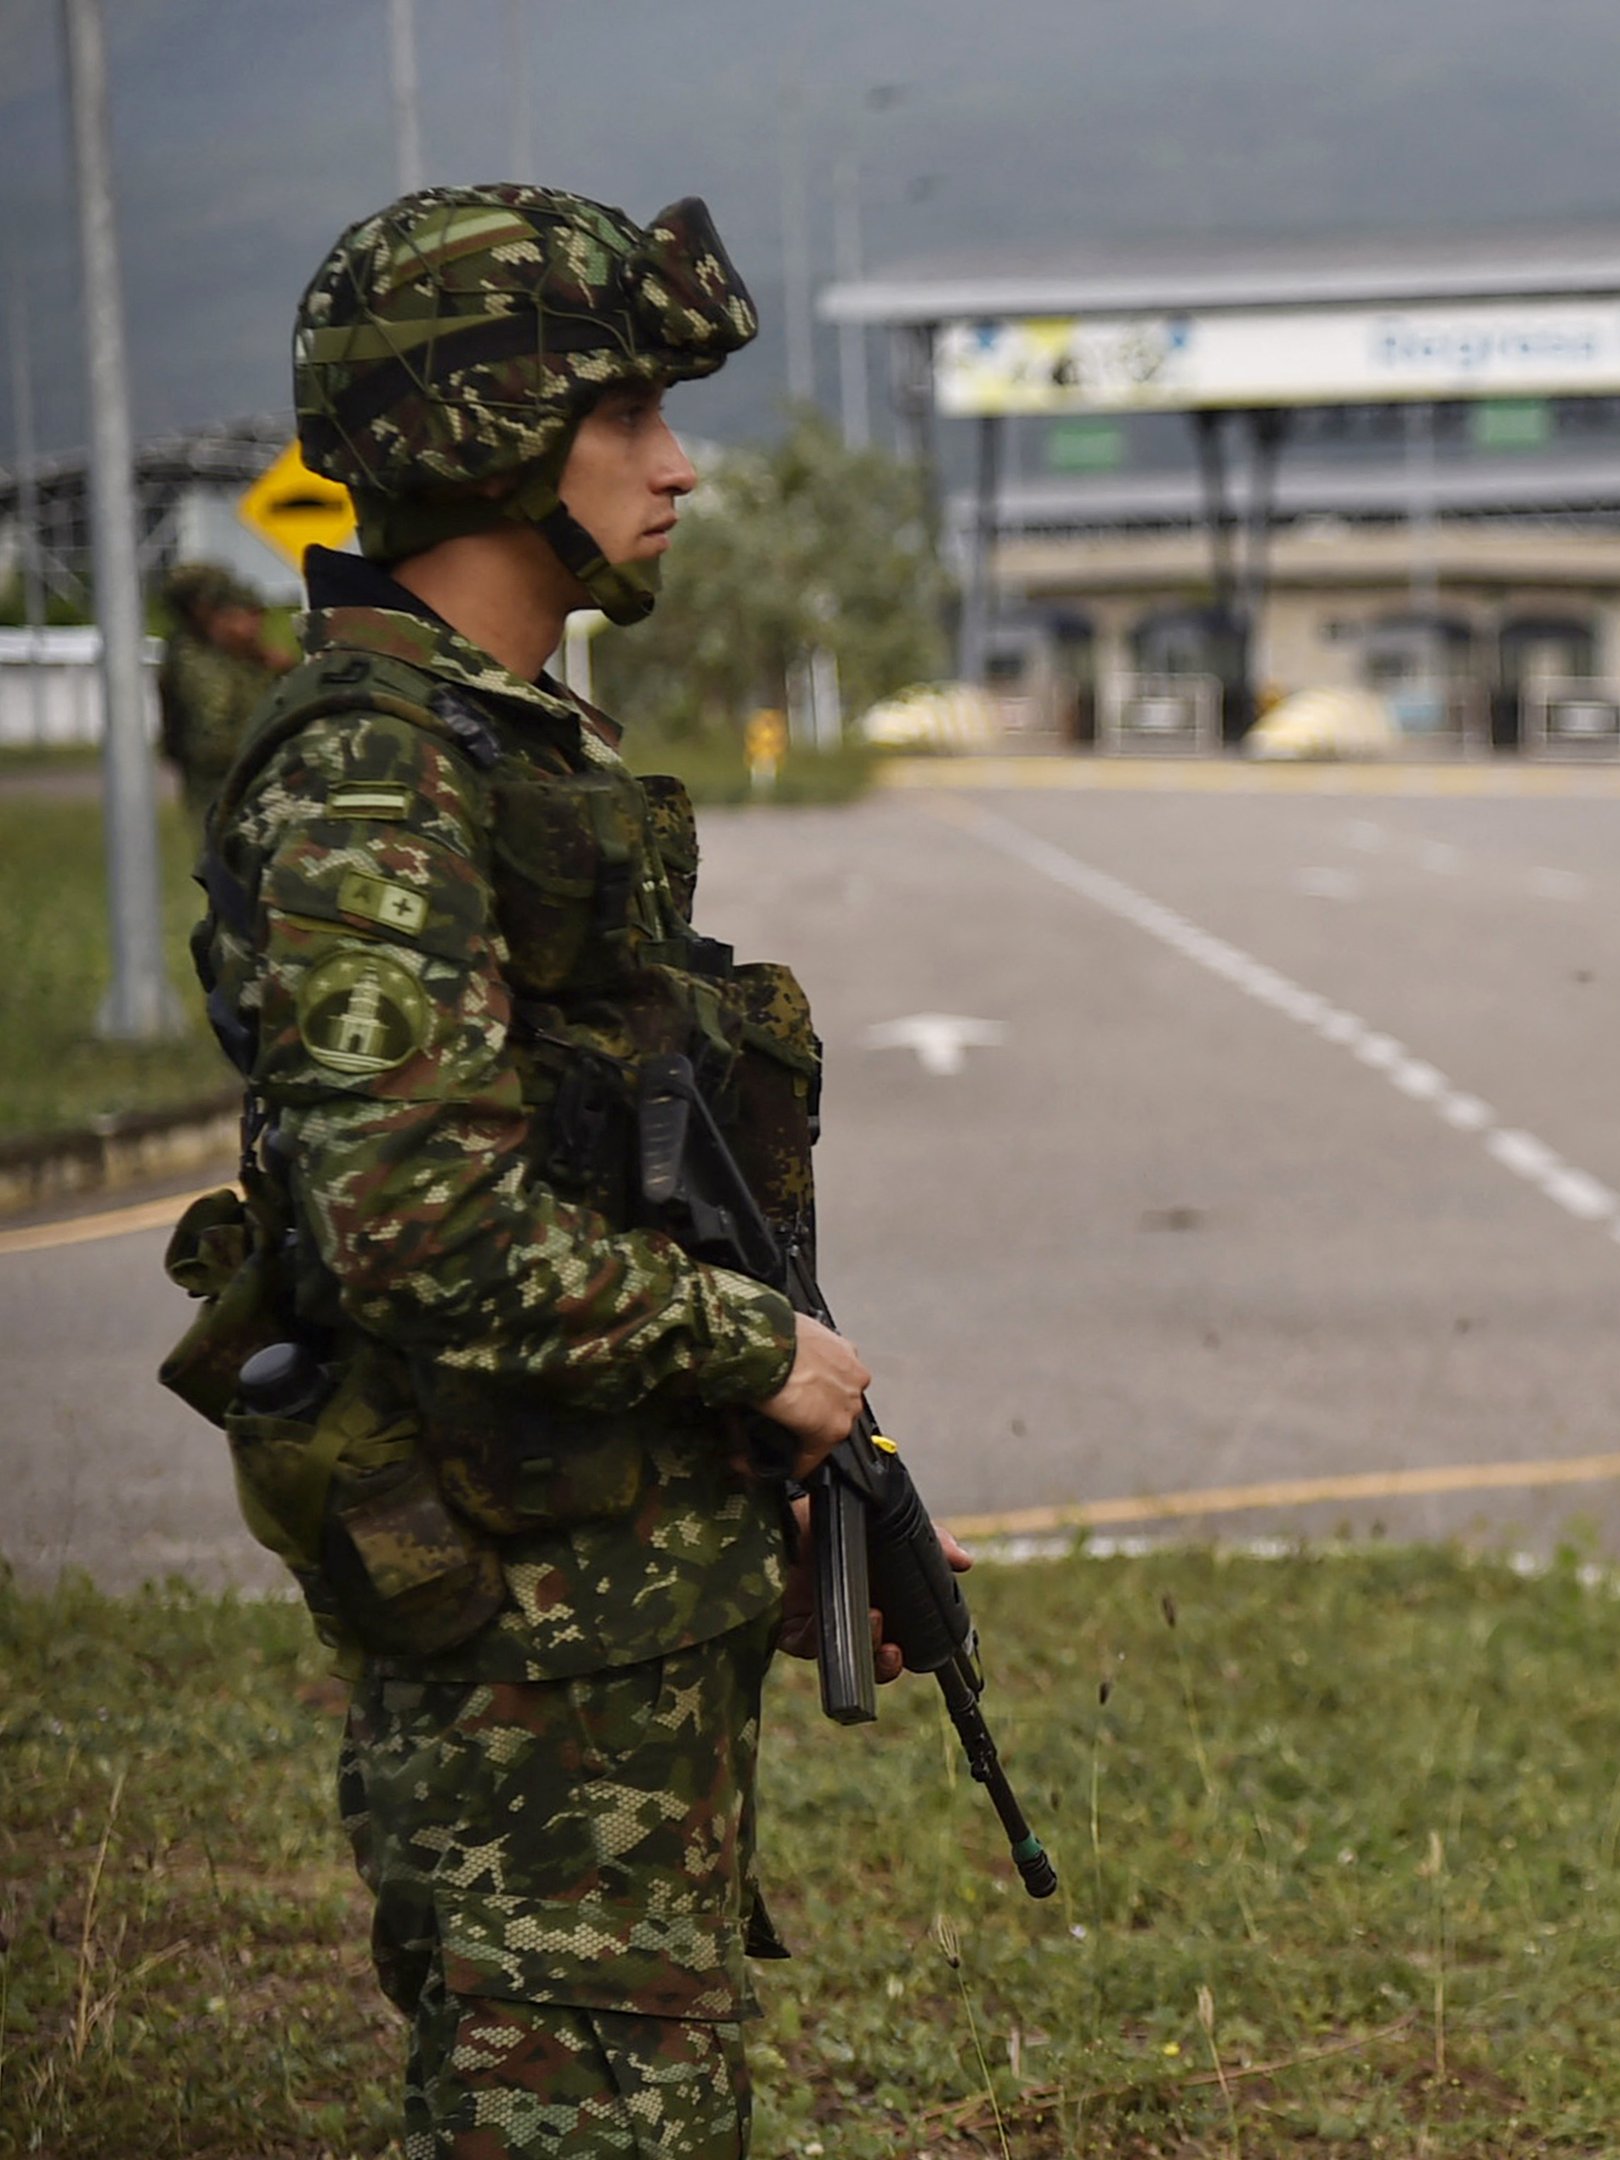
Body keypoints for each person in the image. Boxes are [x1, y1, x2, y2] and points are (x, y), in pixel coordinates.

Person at [165, 183, 943, 2156]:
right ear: (482, 430)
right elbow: (412, 1222)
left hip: (591, 1592)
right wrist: (754, 1351)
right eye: (628, 418)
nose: (676, 465)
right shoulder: (373, 765)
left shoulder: (492, 746)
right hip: (528, 1623)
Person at [157, 560, 292, 818]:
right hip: (224, 785)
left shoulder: (247, 658)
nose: (254, 626)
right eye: (241, 615)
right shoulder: (197, 662)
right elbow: (213, 740)